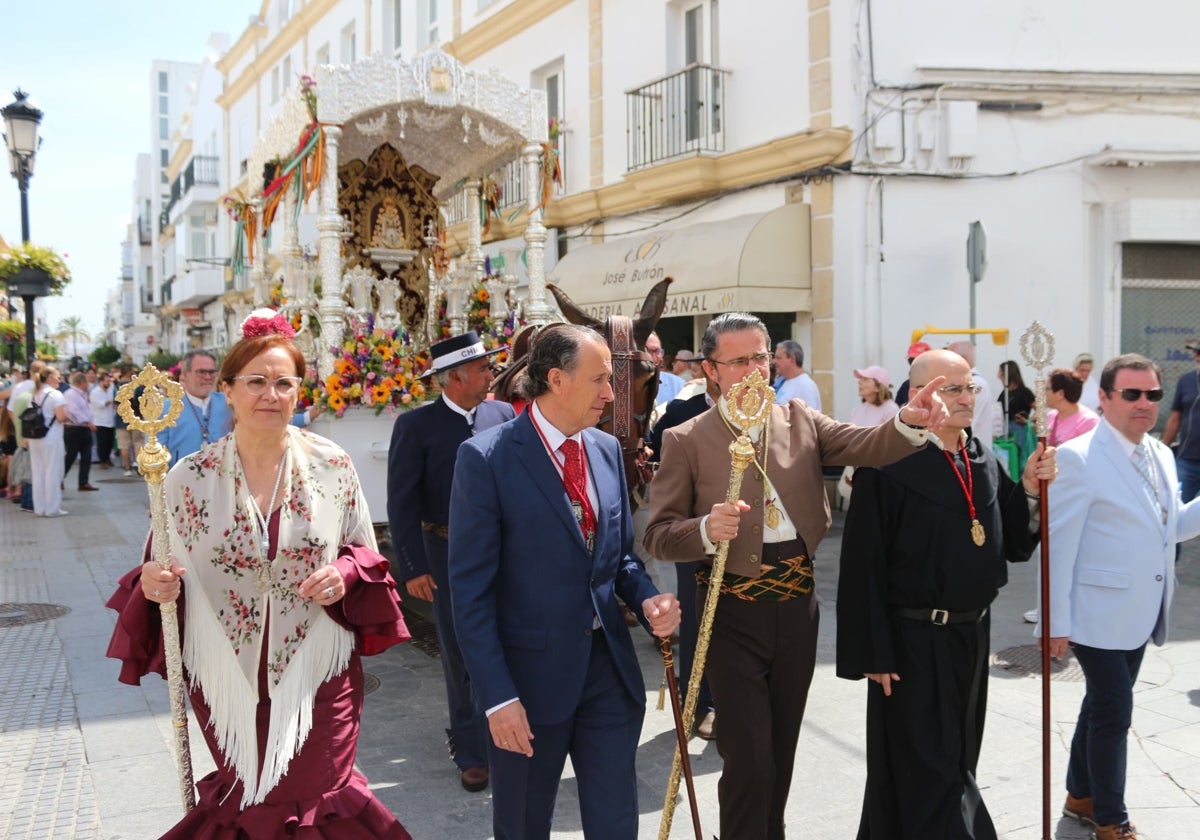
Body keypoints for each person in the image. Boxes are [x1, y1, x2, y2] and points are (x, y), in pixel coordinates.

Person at [105, 308, 412, 838]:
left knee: (322, 795)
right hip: (226, 673)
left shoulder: (332, 463)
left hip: (319, 667)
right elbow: (158, 567)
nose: (270, 394)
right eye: (256, 382)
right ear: (228, 389)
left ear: (299, 392)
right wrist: (157, 583)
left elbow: (364, 553)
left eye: (283, 383)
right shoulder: (187, 478)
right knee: (249, 796)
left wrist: (343, 573)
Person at [644, 311, 948, 840]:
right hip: (729, 614)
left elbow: (866, 445)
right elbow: (659, 535)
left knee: (782, 748)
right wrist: (705, 528)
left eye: (759, 357)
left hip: (797, 609)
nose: (752, 370)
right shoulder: (687, 438)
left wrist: (909, 422)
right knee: (748, 756)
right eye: (737, 361)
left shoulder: (800, 418)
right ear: (712, 371)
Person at [448, 323, 680, 840]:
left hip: (608, 676)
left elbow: (618, 559)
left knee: (617, 823)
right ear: (556, 379)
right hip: (527, 686)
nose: (610, 393)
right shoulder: (486, 459)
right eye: (599, 379)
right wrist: (498, 697)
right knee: (525, 824)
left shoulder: (603, 450)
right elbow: (471, 595)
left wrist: (649, 601)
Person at [836, 349, 1056, 840]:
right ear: (919, 395)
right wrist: (873, 651)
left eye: (970, 387)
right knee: (932, 772)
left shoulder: (979, 457)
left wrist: (1030, 487)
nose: (965, 397)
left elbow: (1013, 543)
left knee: (953, 758)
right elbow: (861, 565)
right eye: (951, 388)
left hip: (973, 636)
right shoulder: (886, 463)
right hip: (912, 640)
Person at [1044, 354, 1200, 840]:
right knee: (1115, 712)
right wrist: (1054, 621)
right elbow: (1058, 544)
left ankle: (1079, 795)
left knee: (1101, 705)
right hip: (1093, 613)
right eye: (1131, 394)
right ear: (1105, 398)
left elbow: (1172, 527)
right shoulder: (1078, 457)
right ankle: (1111, 820)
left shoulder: (1160, 453)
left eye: (1153, 394)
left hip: (1141, 609)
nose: (1144, 404)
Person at [386, 330, 514, 793]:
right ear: (455, 378)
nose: (491, 374)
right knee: (460, 649)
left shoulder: (502, 414)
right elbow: (400, 503)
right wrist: (413, 567)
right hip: (443, 554)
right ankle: (471, 749)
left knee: (507, 640)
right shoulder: (415, 427)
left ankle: (507, 735)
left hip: (501, 551)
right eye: (482, 368)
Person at [646, 372, 721, 741]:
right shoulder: (681, 411)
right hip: (696, 539)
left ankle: (730, 702)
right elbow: (653, 449)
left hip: (747, 543)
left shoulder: (766, 414)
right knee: (695, 622)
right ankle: (699, 703)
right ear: (711, 371)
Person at [1023, 367, 1101, 624]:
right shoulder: (1052, 417)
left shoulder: (1088, 421)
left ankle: (1070, 607)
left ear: (1060, 392)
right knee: (1048, 550)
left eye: (1047, 388)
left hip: (1076, 497)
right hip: (1052, 493)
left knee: (1075, 554)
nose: (1044, 393)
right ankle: (1045, 605)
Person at [159, 349, 231, 466]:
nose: (207, 377)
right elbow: (158, 454)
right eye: (201, 372)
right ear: (185, 375)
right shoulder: (168, 409)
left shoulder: (229, 404)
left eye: (212, 372)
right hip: (180, 480)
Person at [1161, 338, 1200, 504]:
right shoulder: (1186, 381)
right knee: (1178, 507)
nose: (1196, 356)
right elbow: (1175, 418)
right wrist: (1162, 450)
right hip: (1187, 459)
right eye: (1195, 352)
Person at [27, 366, 69, 517]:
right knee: (53, 472)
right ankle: (52, 508)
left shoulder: (34, 394)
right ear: (50, 377)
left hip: (34, 438)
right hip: (52, 437)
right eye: (58, 377)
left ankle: (39, 508)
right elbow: (61, 417)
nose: (60, 380)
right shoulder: (55, 395)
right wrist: (68, 416)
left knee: (38, 473)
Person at [947, 340, 995, 449]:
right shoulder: (971, 382)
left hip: (973, 451)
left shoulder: (975, 384)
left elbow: (967, 423)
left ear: (963, 359)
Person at [63, 371, 99, 492]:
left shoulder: (82, 394)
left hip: (84, 428)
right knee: (71, 456)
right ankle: (59, 479)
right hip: (74, 428)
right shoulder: (70, 394)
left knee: (86, 456)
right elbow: (74, 410)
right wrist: (87, 421)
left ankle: (83, 482)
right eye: (86, 383)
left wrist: (89, 421)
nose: (87, 385)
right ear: (81, 382)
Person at [998, 360, 1036, 470]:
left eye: (1001, 373)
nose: (998, 376)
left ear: (1008, 374)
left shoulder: (1024, 392)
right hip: (1005, 431)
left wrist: (1029, 421)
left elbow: (1040, 409)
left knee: (1019, 458)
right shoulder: (1004, 393)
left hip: (1020, 430)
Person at [772, 339, 821, 410]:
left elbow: (809, 419)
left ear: (792, 359)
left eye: (778, 358)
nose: (774, 362)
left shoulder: (806, 386)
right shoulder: (783, 382)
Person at [646, 331, 686, 405]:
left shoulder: (678, 385)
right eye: (648, 351)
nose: (653, 356)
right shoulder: (623, 387)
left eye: (657, 351)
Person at [90, 368, 116, 468]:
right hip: (99, 420)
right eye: (106, 381)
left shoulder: (111, 390)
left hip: (110, 419)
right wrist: (110, 401)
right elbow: (100, 404)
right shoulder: (95, 392)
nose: (108, 383)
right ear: (101, 381)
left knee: (109, 442)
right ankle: (102, 460)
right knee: (102, 442)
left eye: (109, 381)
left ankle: (107, 458)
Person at [894, 341, 931, 407]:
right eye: (912, 361)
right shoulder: (906, 386)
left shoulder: (941, 385)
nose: (915, 365)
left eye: (920, 361)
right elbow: (897, 412)